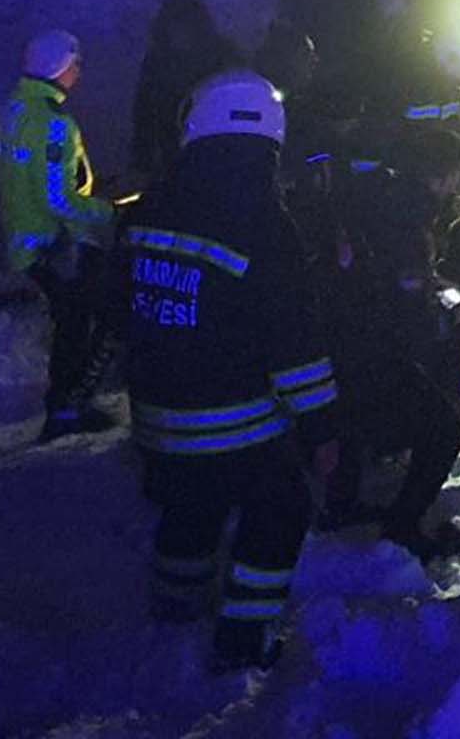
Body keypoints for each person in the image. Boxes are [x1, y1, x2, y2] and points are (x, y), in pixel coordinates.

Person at [120, 71, 339, 672]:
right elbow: (294, 342)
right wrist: (322, 427)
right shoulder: (264, 225)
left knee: (190, 507)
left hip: (156, 420)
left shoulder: (153, 205)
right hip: (230, 423)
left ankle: (174, 605)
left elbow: (123, 303)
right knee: (280, 508)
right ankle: (245, 639)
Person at [321, 125, 460, 559]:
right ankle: (404, 525)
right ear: (443, 174)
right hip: (373, 349)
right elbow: (406, 300)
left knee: (352, 422)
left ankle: (343, 503)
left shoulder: (374, 196)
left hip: (338, 342)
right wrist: (449, 314)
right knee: (443, 430)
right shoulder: (409, 217)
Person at [0, 30, 119, 442]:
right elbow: (58, 199)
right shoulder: (54, 124)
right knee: (84, 323)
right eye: (75, 63)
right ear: (58, 68)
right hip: (57, 246)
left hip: (25, 242)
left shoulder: (12, 111)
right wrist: (110, 210)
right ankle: (67, 409)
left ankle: (67, 405)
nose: (79, 72)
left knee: (74, 323)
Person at [131, 0, 243, 184]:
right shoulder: (158, 59)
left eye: (185, 22)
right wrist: (142, 162)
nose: (179, 31)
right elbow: (144, 111)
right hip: (173, 150)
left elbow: (242, 97)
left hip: (215, 146)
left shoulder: (223, 54)